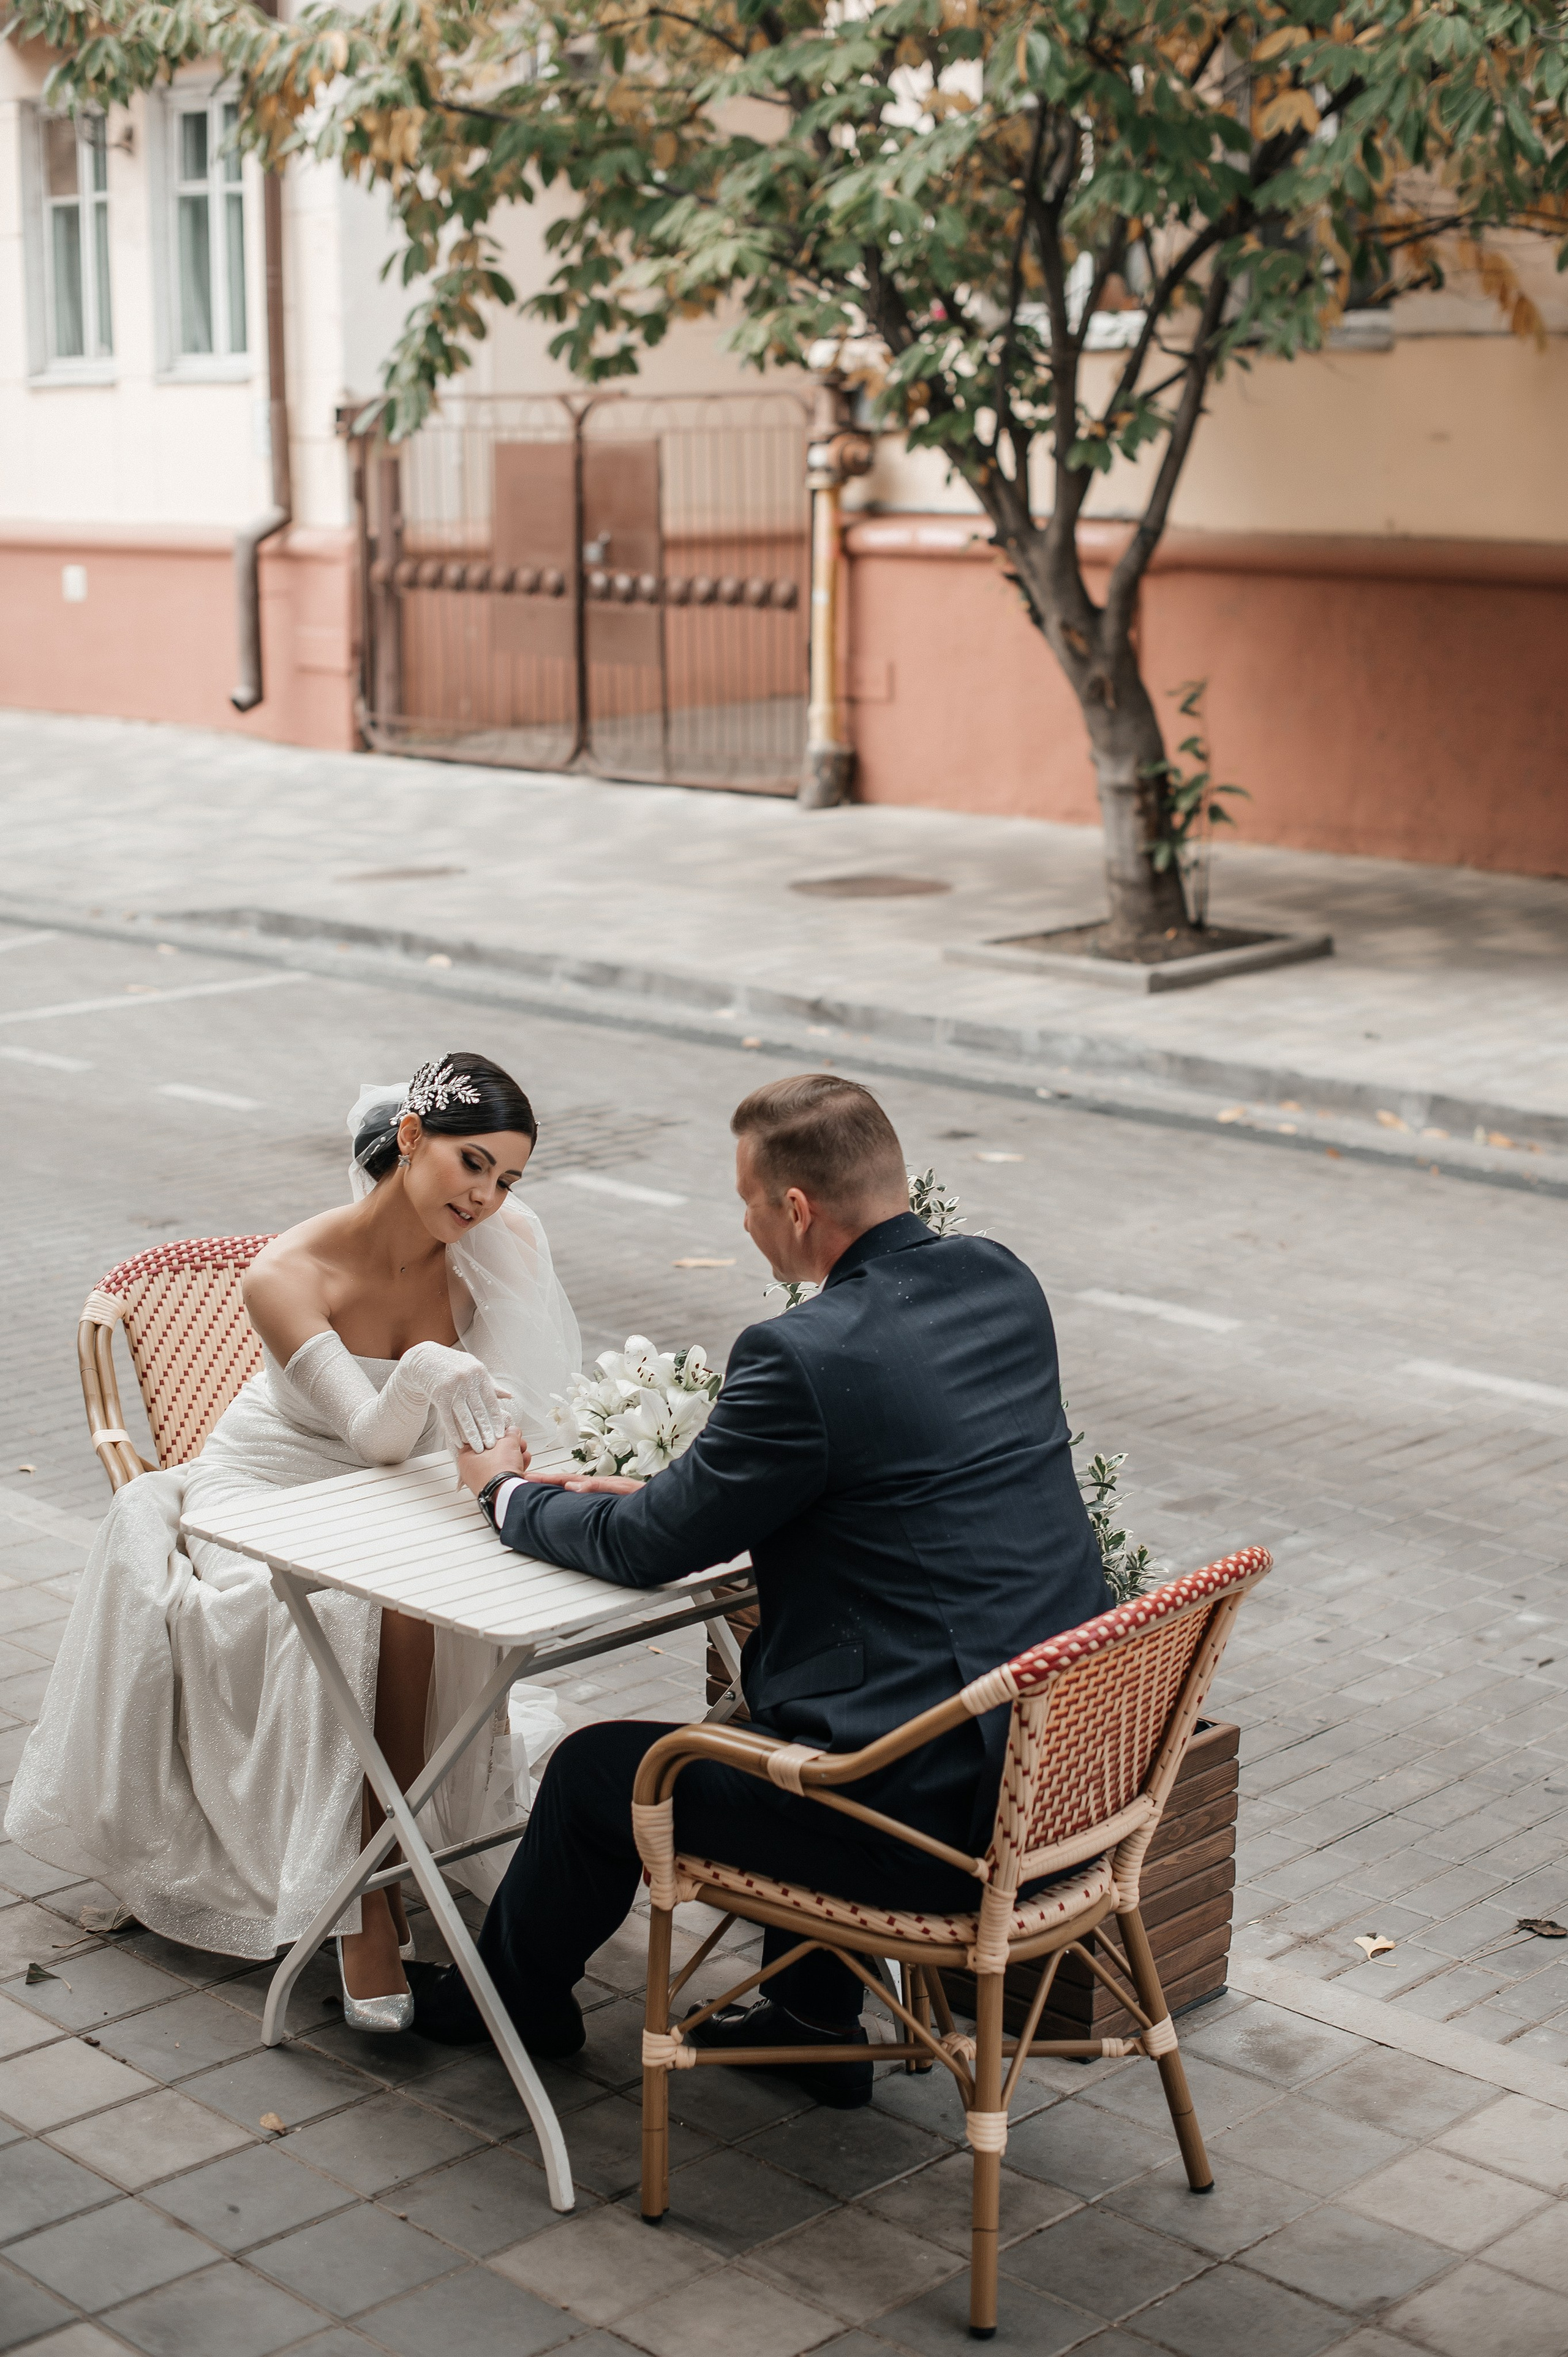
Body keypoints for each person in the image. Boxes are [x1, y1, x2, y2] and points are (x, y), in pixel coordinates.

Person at [414, 1072, 1110, 2105]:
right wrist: (686, 1494)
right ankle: (813, 2018)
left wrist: (502, 1492)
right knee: (801, 1709)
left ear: (796, 1207)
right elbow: (904, 1479)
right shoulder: (999, 1281)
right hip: (1066, 1786)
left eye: (747, 1201)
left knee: (599, 1771)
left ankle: (511, 2005)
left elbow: (647, 1551)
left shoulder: (801, 1352)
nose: (744, 1224)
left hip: (928, 1837)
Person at [5, 1051, 579, 2031]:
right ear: (411, 1139)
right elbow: (371, 1435)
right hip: (267, 1493)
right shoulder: (286, 1273)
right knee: (374, 1605)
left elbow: (501, 1403)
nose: (486, 1198)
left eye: (508, 1178)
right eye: (473, 1164)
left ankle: (380, 1857)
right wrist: (431, 1369)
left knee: (463, 1581)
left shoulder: (496, 1244)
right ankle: (371, 1897)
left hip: (394, 1490)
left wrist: (504, 1443)